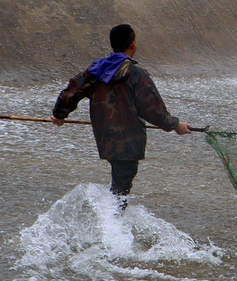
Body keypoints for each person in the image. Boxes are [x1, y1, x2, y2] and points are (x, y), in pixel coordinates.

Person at [52, 23, 193, 203]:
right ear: (133, 44)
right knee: (121, 189)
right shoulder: (136, 74)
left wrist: (59, 115)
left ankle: (110, 217)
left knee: (119, 184)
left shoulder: (96, 70)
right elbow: (152, 109)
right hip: (129, 141)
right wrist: (175, 125)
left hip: (105, 138)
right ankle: (112, 224)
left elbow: (71, 92)